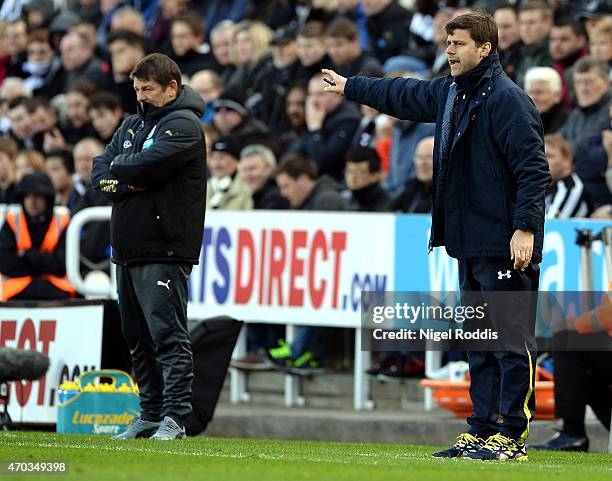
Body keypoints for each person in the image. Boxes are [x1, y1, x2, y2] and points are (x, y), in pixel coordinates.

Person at [322, 11, 550, 461]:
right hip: (469, 241)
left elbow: (533, 171)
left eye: (460, 44)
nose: (450, 51)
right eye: (448, 43)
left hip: (503, 240)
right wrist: (352, 86)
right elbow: (403, 94)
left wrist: (525, 228)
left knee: (510, 341)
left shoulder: (507, 100)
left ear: (485, 49)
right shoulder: (451, 92)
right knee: (480, 345)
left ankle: (514, 436)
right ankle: (481, 429)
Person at [92, 53, 206, 441]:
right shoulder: (130, 124)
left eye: (148, 89)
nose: (141, 96)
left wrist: (124, 169)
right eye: (137, 89)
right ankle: (150, 413)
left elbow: (143, 166)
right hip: (127, 249)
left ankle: (175, 417)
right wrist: (126, 176)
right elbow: (99, 170)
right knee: (137, 338)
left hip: (164, 248)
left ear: (172, 88)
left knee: (167, 336)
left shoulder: (185, 125)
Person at [0, 172, 76, 301]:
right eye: (27, 196)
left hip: (57, 291)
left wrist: (27, 255)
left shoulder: (63, 221)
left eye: (38, 196)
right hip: (17, 292)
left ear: (47, 199)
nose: (32, 201)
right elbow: (5, 263)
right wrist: (44, 260)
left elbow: (62, 264)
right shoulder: (12, 221)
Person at [544, 133, 592, 219]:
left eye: (549, 156)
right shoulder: (543, 186)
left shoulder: (571, 188)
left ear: (567, 160)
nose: (543, 161)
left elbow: (550, 226)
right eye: (540, 156)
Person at [344, 145, 392, 212]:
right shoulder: (345, 201)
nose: (353, 177)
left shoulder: (389, 206)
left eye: (359, 172)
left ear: (374, 175)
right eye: (349, 171)